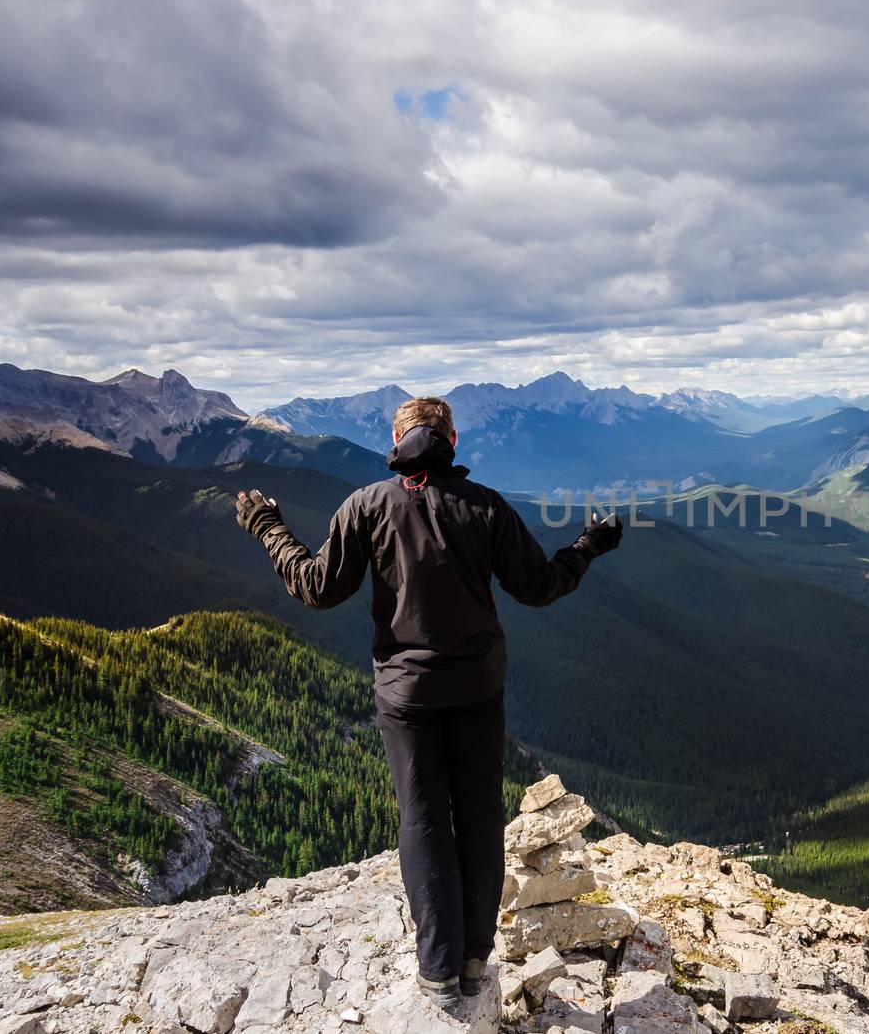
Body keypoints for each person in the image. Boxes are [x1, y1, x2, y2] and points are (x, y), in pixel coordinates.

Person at [234, 395, 622, 1008]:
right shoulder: (484, 507)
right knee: (476, 814)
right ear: (453, 441)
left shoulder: (367, 506)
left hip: (405, 693)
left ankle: (437, 967)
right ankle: (474, 959)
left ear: (394, 439)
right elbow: (540, 586)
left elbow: (316, 587)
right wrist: (590, 545)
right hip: (476, 686)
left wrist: (268, 528)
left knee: (422, 818)